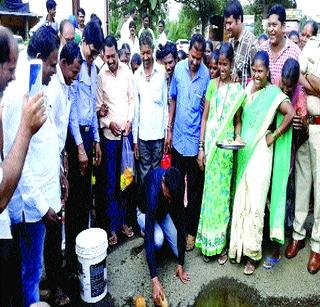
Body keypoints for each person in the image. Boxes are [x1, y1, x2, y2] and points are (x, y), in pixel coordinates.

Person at [2, 25, 60, 306]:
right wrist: (42, 205)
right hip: (30, 208)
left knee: (34, 270)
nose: (54, 71)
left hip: (44, 198)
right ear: (38, 57)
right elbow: (17, 160)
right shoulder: (16, 94)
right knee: (31, 274)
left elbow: (43, 138)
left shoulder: (36, 80)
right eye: (52, 64)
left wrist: (60, 172)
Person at [228, 51, 295, 275]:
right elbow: (238, 116)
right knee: (241, 199)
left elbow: (291, 113)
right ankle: (237, 249)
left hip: (261, 154)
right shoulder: (246, 89)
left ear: (268, 72)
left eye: (261, 71)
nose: (257, 75)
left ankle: (252, 255)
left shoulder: (274, 94)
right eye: (254, 70)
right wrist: (237, 134)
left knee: (256, 204)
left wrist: (273, 136)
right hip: (244, 150)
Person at [195, 43, 245, 263]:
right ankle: (208, 245)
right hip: (211, 150)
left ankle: (222, 246)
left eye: (225, 64)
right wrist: (201, 148)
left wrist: (238, 138)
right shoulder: (212, 85)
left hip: (225, 154)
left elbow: (237, 121)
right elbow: (205, 118)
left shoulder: (236, 91)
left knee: (223, 199)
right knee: (210, 196)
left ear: (232, 64)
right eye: (219, 64)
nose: (222, 69)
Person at [43, 41, 82, 305]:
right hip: (48, 166)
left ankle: (57, 275)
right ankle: (54, 286)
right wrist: (57, 171)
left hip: (57, 159)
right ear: (63, 64)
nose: (75, 77)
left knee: (58, 225)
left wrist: (65, 158)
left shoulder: (66, 87)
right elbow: (48, 136)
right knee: (54, 227)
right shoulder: (55, 91)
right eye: (73, 71)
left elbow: (62, 130)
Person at [65, 21, 103, 276]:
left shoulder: (93, 69)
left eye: (96, 53)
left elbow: (92, 110)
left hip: (89, 137)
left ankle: (85, 255)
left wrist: (96, 141)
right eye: (92, 51)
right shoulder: (75, 67)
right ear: (83, 43)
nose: (92, 57)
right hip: (75, 138)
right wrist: (79, 146)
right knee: (75, 201)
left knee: (87, 195)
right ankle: (72, 260)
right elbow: (72, 113)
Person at [166, 34, 210, 251]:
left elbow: (206, 113)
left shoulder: (206, 76)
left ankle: (191, 231)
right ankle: (178, 227)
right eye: (192, 57)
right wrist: (169, 129)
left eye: (198, 59)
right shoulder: (178, 70)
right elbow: (173, 99)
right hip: (178, 139)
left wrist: (202, 146)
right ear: (189, 52)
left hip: (194, 143)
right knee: (175, 187)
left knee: (194, 191)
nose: (194, 62)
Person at [285, 34, 320, 274]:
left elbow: (303, 78)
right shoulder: (310, 45)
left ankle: (317, 245)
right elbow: (297, 75)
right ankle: (297, 234)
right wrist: (312, 80)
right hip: (303, 125)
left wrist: (307, 78)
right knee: (302, 183)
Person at [96, 35, 135, 246]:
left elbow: (131, 99)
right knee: (110, 183)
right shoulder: (100, 76)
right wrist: (109, 122)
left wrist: (128, 121)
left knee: (125, 181)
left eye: (113, 56)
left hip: (125, 138)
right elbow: (99, 109)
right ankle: (112, 227)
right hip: (110, 139)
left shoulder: (127, 72)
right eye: (107, 56)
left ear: (117, 52)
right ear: (103, 54)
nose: (110, 60)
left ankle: (123, 222)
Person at [137, 167, 189, 305]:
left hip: (162, 214)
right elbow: (149, 238)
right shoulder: (153, 192)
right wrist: (154, 279)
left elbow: (182, 221)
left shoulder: (177, 183)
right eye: (169, 196)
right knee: (157, 240)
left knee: (179, 252)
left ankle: (161, 233)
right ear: (163, 183)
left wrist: (180, 263)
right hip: (144, 213)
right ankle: (144, 231)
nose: (171, 199)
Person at [132, 32, 168, 185]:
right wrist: (135, 140)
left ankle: (155, 207)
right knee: (144, 175)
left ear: (153, 49)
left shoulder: (161, 73)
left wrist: (167, 134)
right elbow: (136, 110)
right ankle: (143, 207)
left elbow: (166, 105)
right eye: (143, 53)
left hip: (159, 136)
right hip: (143, 137)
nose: (146, 57)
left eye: (148, 52)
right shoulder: (136, 76)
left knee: (157, 175)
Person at [260, 4, 301, 83]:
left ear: (283, 26)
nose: (270, 29)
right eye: (269, 25)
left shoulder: (294, 52)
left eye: (274, 25)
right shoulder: (262, 49)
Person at [224, 0, 258, 87]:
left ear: (239, 19)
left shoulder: (252, 44)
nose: (227, 27)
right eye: (226, 23)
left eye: (230, 23)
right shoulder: (230, 42)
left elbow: (257, 81)